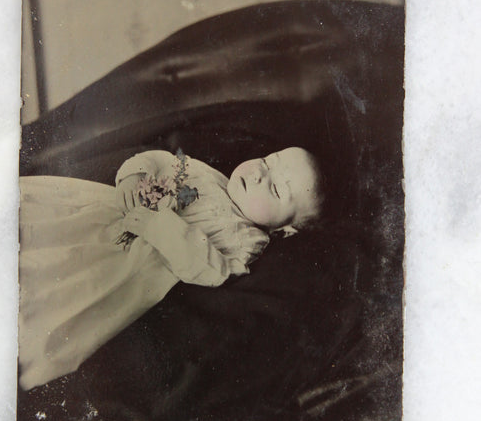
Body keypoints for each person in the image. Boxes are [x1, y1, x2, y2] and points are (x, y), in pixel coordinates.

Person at [18, 147, 322, 391]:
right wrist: (134, 175)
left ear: (287, 230)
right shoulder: (206, 172)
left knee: (69, 283)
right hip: (108, 212)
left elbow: (210, 269)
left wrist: (163, 226)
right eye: (268, 162)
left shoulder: (248, 240)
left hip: (135, 262)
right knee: (48, 228)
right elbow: (158, 159)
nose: (258, 176)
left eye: (276, 190)